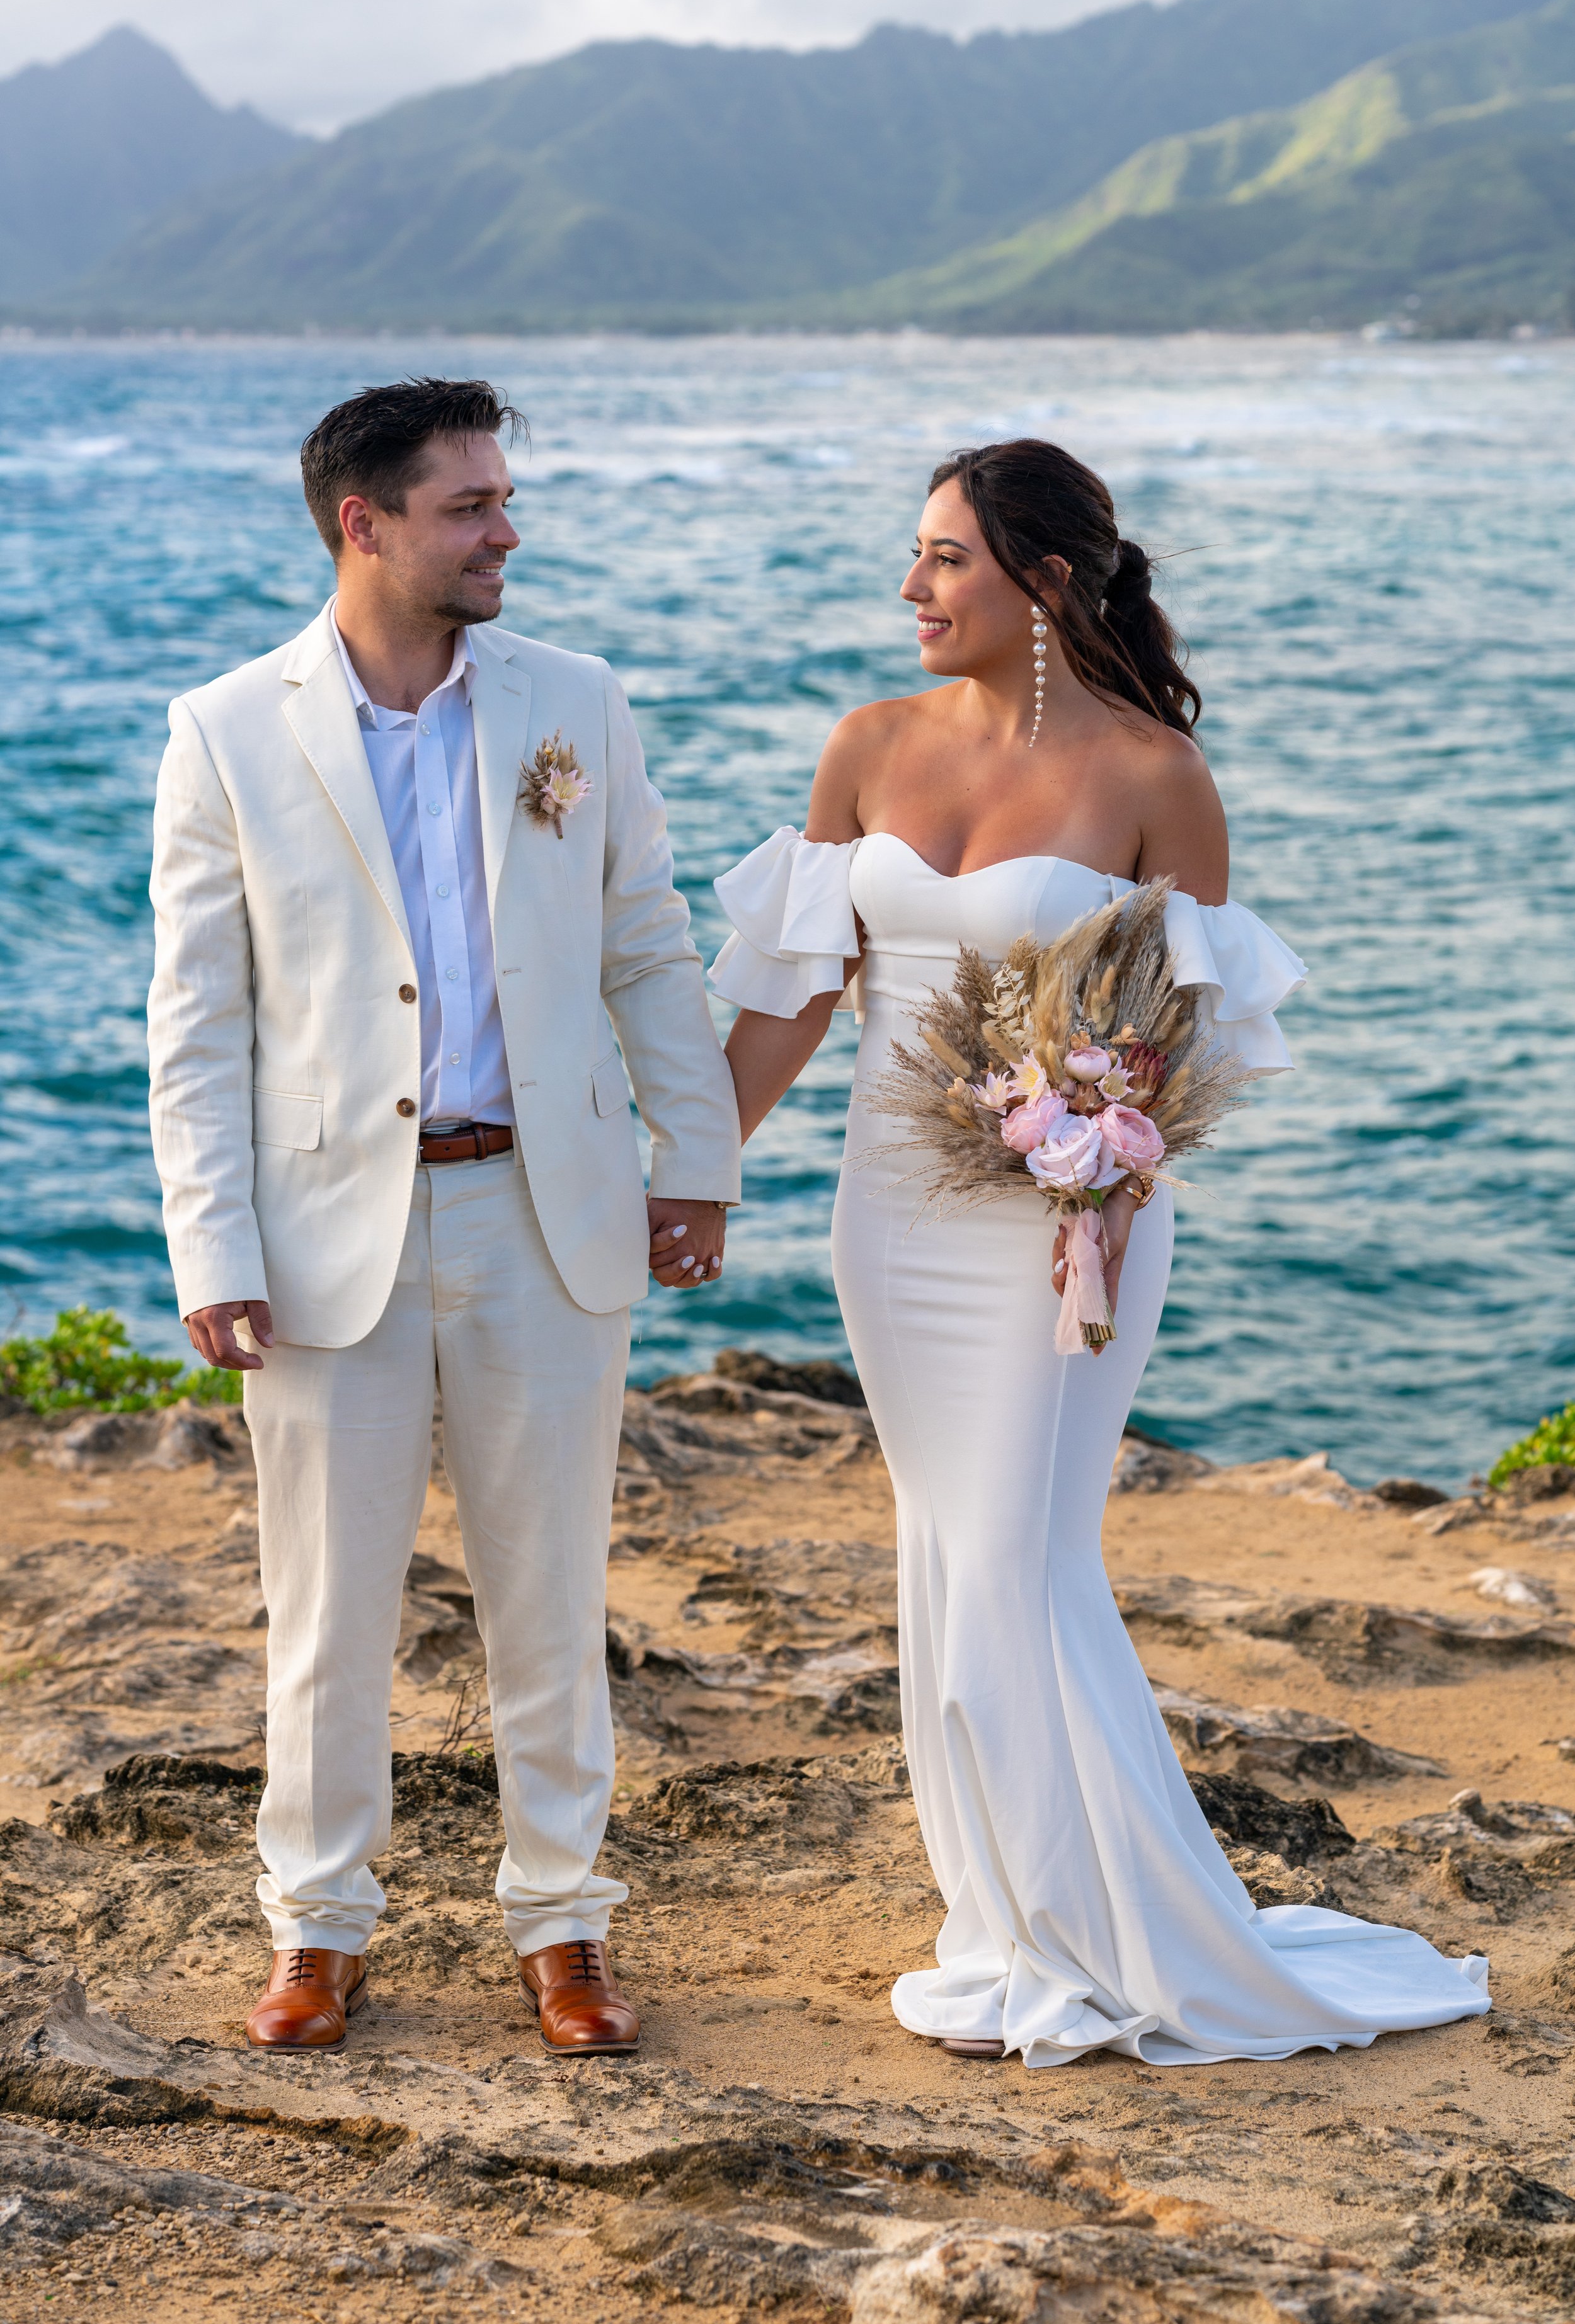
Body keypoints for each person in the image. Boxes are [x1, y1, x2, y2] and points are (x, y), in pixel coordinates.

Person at [711, 438, 1489, 2068]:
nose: (909, 587)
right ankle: (1001, 1918)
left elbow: (1175, 1052)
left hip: (1071, 1222)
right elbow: (789, 998)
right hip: (890, 1213)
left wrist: (1095, 1195)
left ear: (1042, 582)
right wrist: (684, 1173)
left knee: (1015, 1554)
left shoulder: (1152, 781)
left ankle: (1110, 1939)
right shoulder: (863, 747)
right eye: (913, 555)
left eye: (943, 559)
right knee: (944, 1551)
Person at [148, 376, 739, 2054]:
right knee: (325, 1606)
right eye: (471, 505)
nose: (506, 530)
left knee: (548, 1590)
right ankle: (317, 1928)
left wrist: (691, 1160)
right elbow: (195, 1019)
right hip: (326, 1227)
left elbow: (645, 937)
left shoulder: (577, 702)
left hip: (540, 1214)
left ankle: (563, 1925)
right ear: (366, 523)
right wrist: (214, 1245)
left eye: (501, 496)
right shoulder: (227, 729)